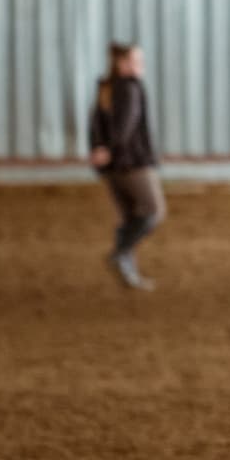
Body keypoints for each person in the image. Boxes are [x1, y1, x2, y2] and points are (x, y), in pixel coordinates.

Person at [88, 42, 165, 291]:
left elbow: (95, 124)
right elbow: (126, 126)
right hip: (132, 163)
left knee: (131, 216)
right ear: (122, 64)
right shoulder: (130, 88)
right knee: (153, 211)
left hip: (111, 167)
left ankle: (127, 268)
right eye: (136, 61)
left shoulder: (105, 89)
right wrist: (111, 148)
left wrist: (99, 149)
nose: (140, 66)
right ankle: (120, 254)